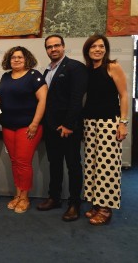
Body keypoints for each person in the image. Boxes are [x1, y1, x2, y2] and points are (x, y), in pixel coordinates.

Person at [37, 35, 88, 222]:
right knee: (55, 164)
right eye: (49, 47)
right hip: (51, 128)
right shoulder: (47, 71)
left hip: (68, 128)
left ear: (63, 46)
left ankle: (74, 204)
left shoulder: (75, 68)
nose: (53, 49)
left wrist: (68, 124)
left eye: (56, 45)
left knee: (73, 165)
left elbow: (77, 99)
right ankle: (54, 198)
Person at [82, 34, 128, 225]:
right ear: (88, 50)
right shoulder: (86, 70)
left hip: (109, 122)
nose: (97, 49)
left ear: (105, 49)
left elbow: (124, 95)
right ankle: (95, 202)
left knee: (107, 166)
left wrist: (123, 122)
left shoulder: (112, 66)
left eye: (101, 46)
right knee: (91, 164)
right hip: (89, 122)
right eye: (93, 46)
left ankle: (105, 208)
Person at [0, 46, 47, 213]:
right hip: (7, 126)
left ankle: (25, 197)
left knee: (24, 163)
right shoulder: (5, 76)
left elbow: (42, 101)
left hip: (28, 126)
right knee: (14, 162)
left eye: (20, 57)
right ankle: (17, 194)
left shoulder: (34, 76)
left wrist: (34, 123)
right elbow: (5, 97)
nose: (16, 60)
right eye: (13, 57)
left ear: (26, 58)